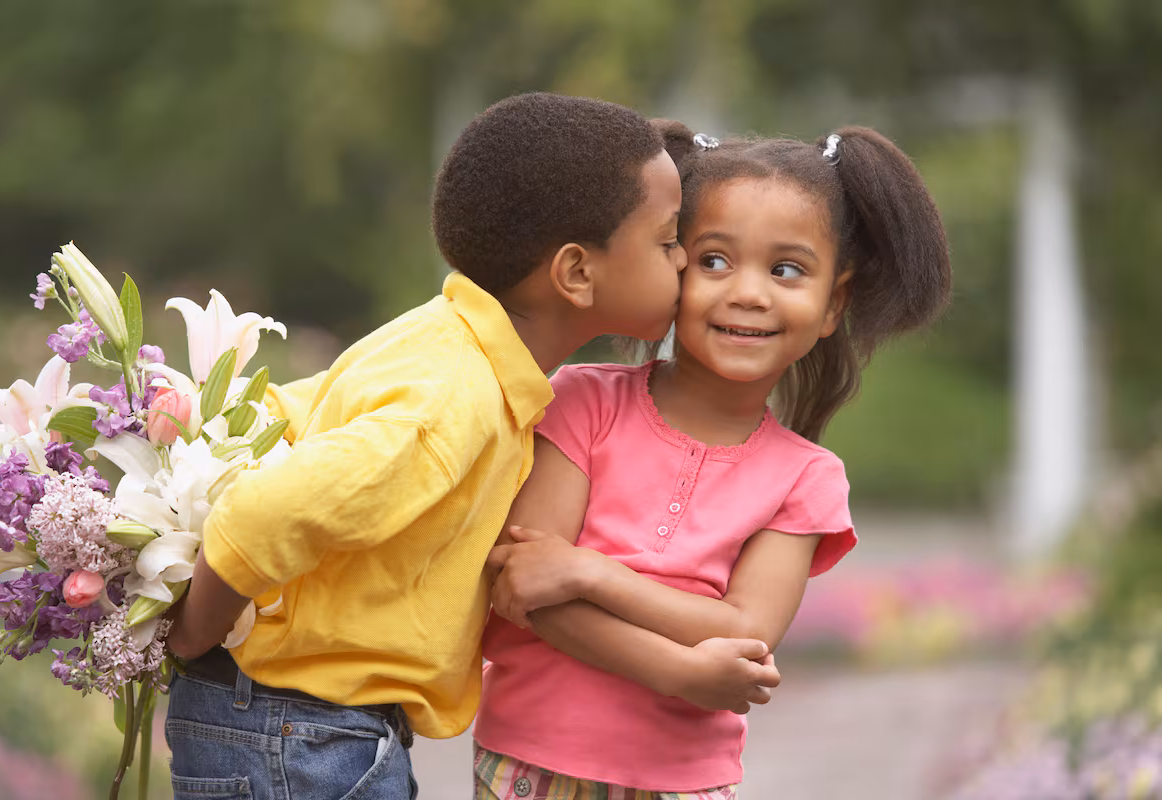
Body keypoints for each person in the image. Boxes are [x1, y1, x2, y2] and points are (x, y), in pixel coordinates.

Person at [160, 93, 766, 800]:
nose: (685, 259)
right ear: (576, 273)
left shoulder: (441, 340)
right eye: (667, 240)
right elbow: (261, 515)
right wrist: (191, 636)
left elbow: (288, 415)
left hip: (303, 727)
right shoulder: (455, 398)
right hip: (295, 733)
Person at [474, 122, 953, 798]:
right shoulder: (582, 402)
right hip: (530, 766)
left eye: (786, 270)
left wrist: (588, 572)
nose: (749, 293)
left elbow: (745, 631)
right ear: (673, 267)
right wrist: (681, 669)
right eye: (715, 261)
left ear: (831, 305)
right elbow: (524, 588)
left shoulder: (807, 480)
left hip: (686, 784)